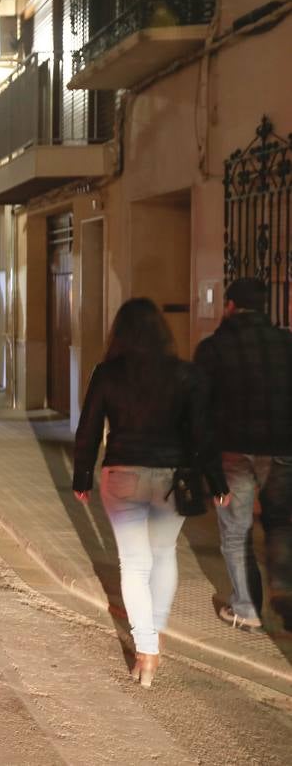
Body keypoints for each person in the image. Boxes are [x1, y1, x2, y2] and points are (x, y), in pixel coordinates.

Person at [73, 298, 230, 687]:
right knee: (163, 555)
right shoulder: (186, 375)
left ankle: (146, 650)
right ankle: (155, 631)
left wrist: (81, 477)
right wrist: (217, 479)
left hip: (122, 474)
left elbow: (89, 428)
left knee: (134, 564)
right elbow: (202, 433)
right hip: (171, 479)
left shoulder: (107, 373)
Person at [193, 278, 292, 633]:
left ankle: (247, 607)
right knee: (281, 524)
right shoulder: (287, 343)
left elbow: (199, 410)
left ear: (231, 305)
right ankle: (284, 591)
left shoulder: (213, 348)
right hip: (283, 449)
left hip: (233, 451)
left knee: (236, 532)